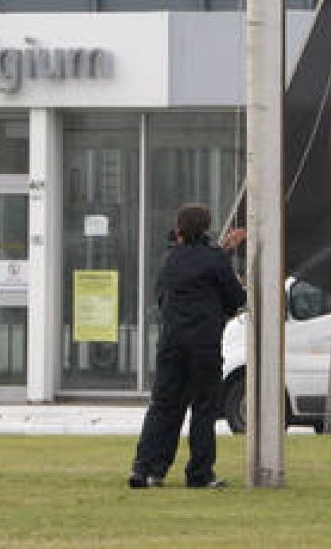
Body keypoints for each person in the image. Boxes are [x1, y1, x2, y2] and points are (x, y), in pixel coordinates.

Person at [128, 203, 246, 490]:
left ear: (179, 229)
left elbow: (163, 295)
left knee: (163, 407)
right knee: (203, 410)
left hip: (171, 343)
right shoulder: (215, 260)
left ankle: (146, 469)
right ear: (206, 228)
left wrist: (223, 253)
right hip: (204, 345)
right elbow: (234, 298)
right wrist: (227, 260)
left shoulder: (170, 259)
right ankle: (199, 473)